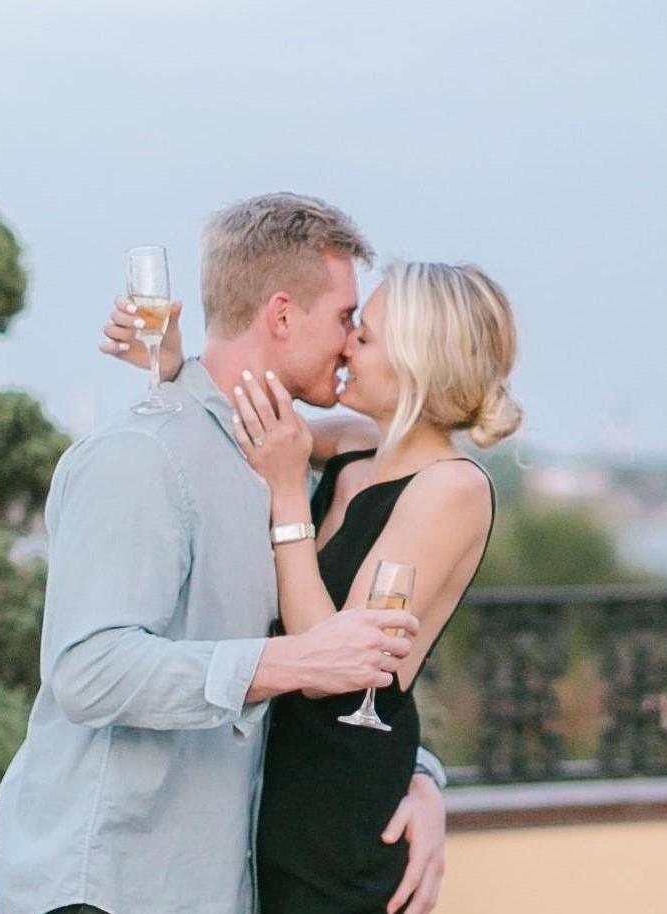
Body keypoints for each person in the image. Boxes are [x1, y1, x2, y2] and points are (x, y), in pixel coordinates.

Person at [0, 194, 447, 914]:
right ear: (282, 315)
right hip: (112, 890)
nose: (350, 342)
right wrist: (298, 661)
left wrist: (416, 776)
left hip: (212, 889)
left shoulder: (281, 464)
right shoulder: (143, 456)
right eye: (344, 318)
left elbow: (311, 681)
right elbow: (88, 670)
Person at [106, 258, 521, 914]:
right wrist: (174, 365)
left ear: (417, 362)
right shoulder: (355, 445)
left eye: (366, 334)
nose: (346, 343)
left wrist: (289, 493)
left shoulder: (452, 488)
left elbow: (331, 662)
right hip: (268, 797)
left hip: (338, 823)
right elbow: (236, 428)